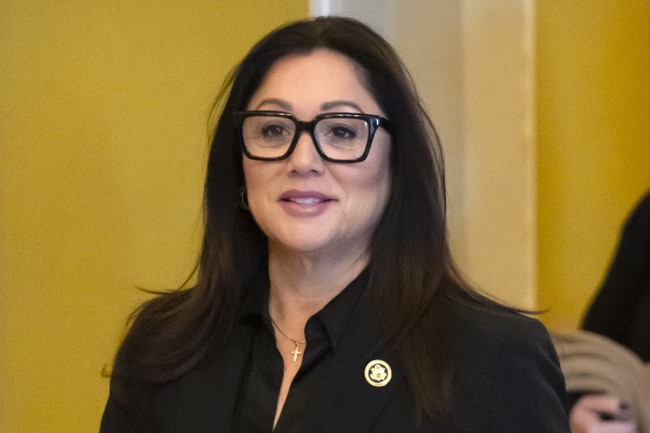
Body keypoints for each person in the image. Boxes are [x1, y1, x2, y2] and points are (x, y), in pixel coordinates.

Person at [100, 16, 569, 432]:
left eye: (341, 130)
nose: (303, 160)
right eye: (273, 129)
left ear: (397, 161)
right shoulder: (162, 347)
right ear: (238, 162)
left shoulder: (492, 358)